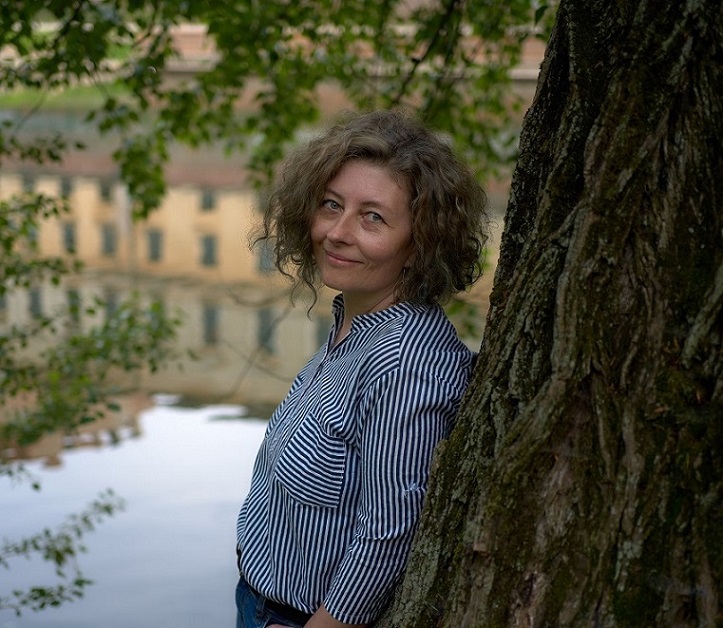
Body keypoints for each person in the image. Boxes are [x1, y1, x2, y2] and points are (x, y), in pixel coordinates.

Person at [235, 109, 489, 628]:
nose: (337, 232)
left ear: (421, 242)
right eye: (331, 205)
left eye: (373, 217)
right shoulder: (355, 324)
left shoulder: (404, 361)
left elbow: (389, 532)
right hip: (262, 602)